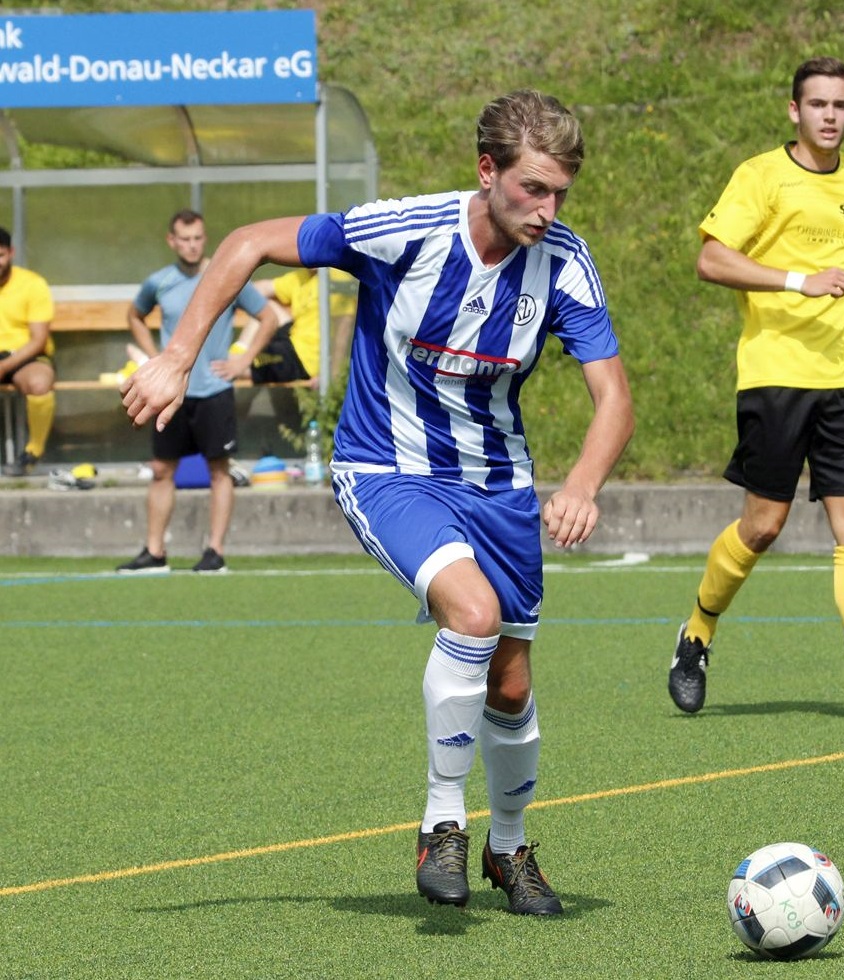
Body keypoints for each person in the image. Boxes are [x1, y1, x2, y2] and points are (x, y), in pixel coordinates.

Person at [120, 90, 634, 915]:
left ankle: (508, 848)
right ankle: (441, 825)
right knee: (470, 614)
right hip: (385, 468)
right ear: (487, 170)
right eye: (532, 188)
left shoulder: (564, 262)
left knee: (509, 685)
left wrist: (580, 485)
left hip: (499, 486)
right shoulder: (407, 229)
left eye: (561, 193)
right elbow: (250, 243)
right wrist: (179, 358)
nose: (547, 209)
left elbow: (613, 397)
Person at [667, 57, 844, 721]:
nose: (828, 115)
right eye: (816, 103)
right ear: (793, 110)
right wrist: (797, 281)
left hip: (843, 379)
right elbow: (711, 259)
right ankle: (696, 634)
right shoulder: (760, 176)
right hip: (774, 376)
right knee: (763, 526)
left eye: (840, 105)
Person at [117, 209, 278, 575]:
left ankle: (214, 552)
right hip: (171, 393)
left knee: (219, 471)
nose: (191, 245)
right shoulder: (159, 282)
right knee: (161, 470)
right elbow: (134, 316)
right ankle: (154, 553)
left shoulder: (227, 276)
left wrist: (242, 361)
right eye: (184, 239)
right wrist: (154, 359)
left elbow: (267, 317)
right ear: (171, 241)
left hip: (214, 389)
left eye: (197, 238)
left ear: (205, 239)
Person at [236, 266, 357, 385]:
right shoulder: (302, 276)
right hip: (291, 342)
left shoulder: (337, 282)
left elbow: (342, 334)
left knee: (242, 365)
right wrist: (227, 292)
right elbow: (264, 288)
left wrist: (330, 377)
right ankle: (237, 353)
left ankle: (233, 362)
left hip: (304, 362)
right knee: (264, 305)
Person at [0, 227, 57, 478]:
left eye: (0, 255)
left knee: (39, 382)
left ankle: (33, 451)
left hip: (24, 355)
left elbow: (38, 340)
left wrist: (4, 366)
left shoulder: (32, 284)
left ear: (11, 253)